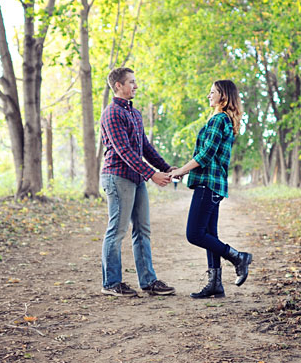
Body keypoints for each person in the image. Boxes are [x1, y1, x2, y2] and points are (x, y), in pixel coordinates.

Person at [170, 80, 252, 299]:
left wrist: (181, 172)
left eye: (212, 92)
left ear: (223, 97)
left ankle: (237, 257)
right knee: (209, 234)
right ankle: (215, 283)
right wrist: (184, 169)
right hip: (214, 184)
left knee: (194, 234)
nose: (208, 95)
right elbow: (210, 154)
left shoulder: (218, 120)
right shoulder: (224, 120)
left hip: (209, 183)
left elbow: (205, 156)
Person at [99, 67, 176, 297]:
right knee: (118, 230)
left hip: (135, 176)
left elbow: (144, 147)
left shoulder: (135, 113)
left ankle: (148, 281)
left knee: (143, 229)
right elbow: (123, 150)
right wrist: (152, 174)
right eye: (131, 82)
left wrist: (165, 168)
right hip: (117, 176)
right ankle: (111, 282)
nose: (135, 86)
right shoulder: (112, 113)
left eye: (135, 82)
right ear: (118, 86)